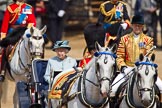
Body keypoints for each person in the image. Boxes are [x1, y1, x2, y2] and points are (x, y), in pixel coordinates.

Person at [110, 15, 162, 105]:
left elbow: (148, 57)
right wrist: (123, 68)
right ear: (132, 26)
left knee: (161, 88)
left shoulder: (148, 40)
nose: (137, 27)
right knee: (113, 90)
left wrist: (143, 66)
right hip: (127, 69)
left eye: (140, 25)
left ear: (142, 26)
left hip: (143, 70)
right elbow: (119, 56)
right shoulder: (124, 39)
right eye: (135, 25)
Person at [0, 0, 36, 81]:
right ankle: (2, 71)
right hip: (12, 32)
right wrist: (3, 35)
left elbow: (32, 21)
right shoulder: (10, 8)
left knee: (34, 47)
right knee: (4, 49)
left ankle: (34, 70)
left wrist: (28, 30)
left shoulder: (28, 7)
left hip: (24, 32)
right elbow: (5, 23)